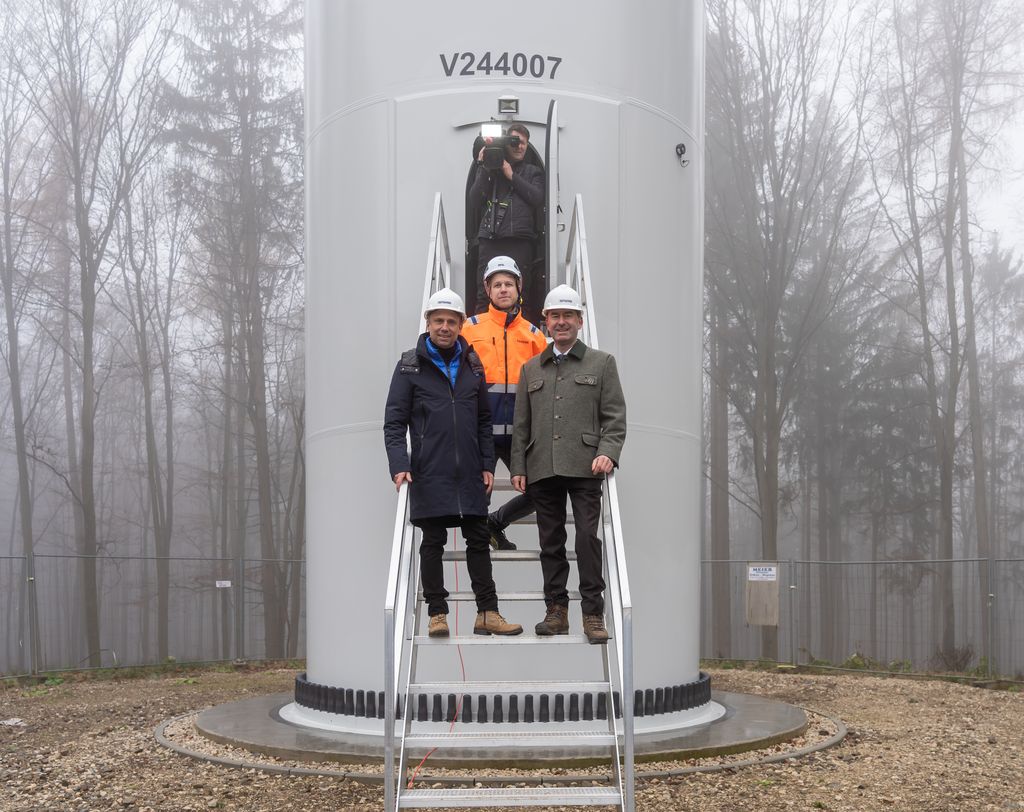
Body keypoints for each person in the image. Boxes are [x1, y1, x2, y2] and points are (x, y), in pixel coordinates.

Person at [384, 288, 522, 638]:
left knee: (478, 539)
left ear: (461, 324)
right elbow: (394, 422)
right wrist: (399, 464)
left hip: (470, 472)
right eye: (438, 321)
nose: (444, 327)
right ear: (428, 323)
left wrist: (487, 463)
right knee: (432, 542)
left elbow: (483, 420)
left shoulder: (473, 365)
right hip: (430, 471)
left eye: (451, 321)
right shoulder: (409, 366)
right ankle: (437, 614)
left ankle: (488, 612)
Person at [510, 285, 626, 644]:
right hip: (542, 466)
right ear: (546, 321)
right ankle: (556, 611)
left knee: (587, 538)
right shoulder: (531, 368)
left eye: (568, 316)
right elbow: (522, 424)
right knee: (550, 542)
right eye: (555, 316)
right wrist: (518, 467)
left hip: (586, 466)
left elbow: (614, 417)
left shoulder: (602, 363)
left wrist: (608, 451)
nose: (561, 322)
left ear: (579, 320)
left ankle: (592, 614)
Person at [461, 256, 548, 550]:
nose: (503, 289)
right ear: (487, 289)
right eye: (497, 284)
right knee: (477, 498)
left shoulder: (535, 336)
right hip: (481, 432)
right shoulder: (469, 329)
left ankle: (496, 523)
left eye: (508, 283)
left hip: (520, 435)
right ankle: (478, 552)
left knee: (540, 492)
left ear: (519, 287)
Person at [469, 123, 545, 321]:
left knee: (521, 294)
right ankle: (478, 337)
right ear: (505, 144)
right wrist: (483, 166)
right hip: (490, 240)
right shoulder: (489, 171)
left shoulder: (533, 172)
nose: (519, 146)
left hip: (520, 241)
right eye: (514, 142)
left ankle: (523, 336)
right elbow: (475, 200)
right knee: (484, 294)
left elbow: (537, 198)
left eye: (524, 143)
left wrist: (511, 175)